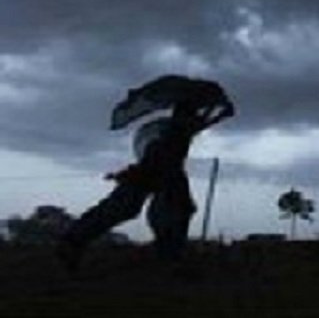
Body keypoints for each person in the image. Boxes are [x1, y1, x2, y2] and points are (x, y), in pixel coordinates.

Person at [57, 94, 234, 273]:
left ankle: (169, 256)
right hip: (154, 172)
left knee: (169, 209)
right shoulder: (170, 132)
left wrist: (220, 113)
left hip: (158, 173)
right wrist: (130, 174)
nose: (196, 119)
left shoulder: (181, 128)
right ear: (184, 115)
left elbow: (200, 123)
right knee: (135, 207)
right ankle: (72, 242)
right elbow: (155, 155)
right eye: (193, 114)